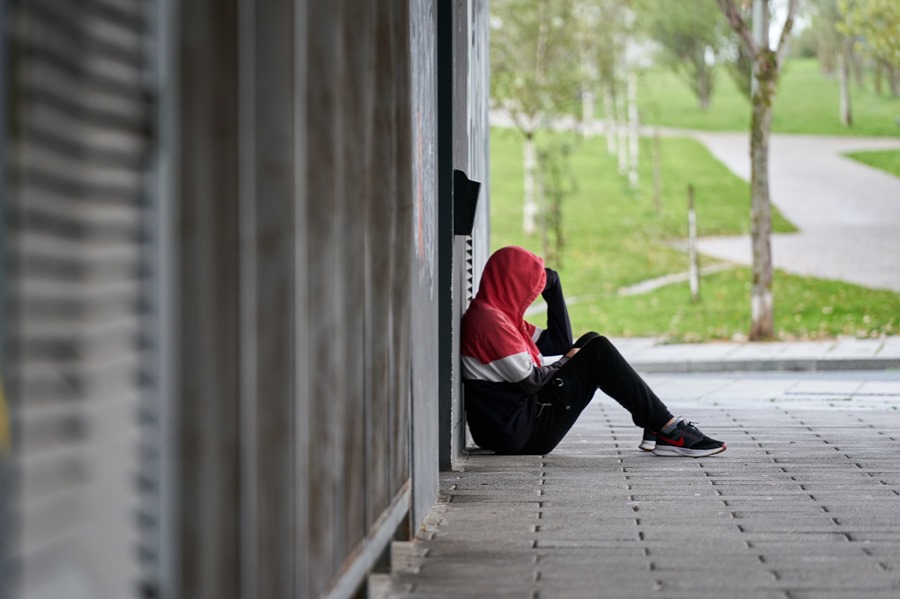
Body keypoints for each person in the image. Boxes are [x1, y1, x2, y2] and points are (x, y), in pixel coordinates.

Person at [460, 245, 726, 458]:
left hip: (514, 424)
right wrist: (566, 362)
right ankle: (668, 429)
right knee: (596, 350)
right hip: (521, 433)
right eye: (531, 284)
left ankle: (656, 422)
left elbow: (559, 341)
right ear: (512, 282)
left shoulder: (501, 316)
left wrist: (554, 289)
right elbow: (531, 382)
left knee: (590, 341)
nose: (533, 290)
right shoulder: (490, 322)